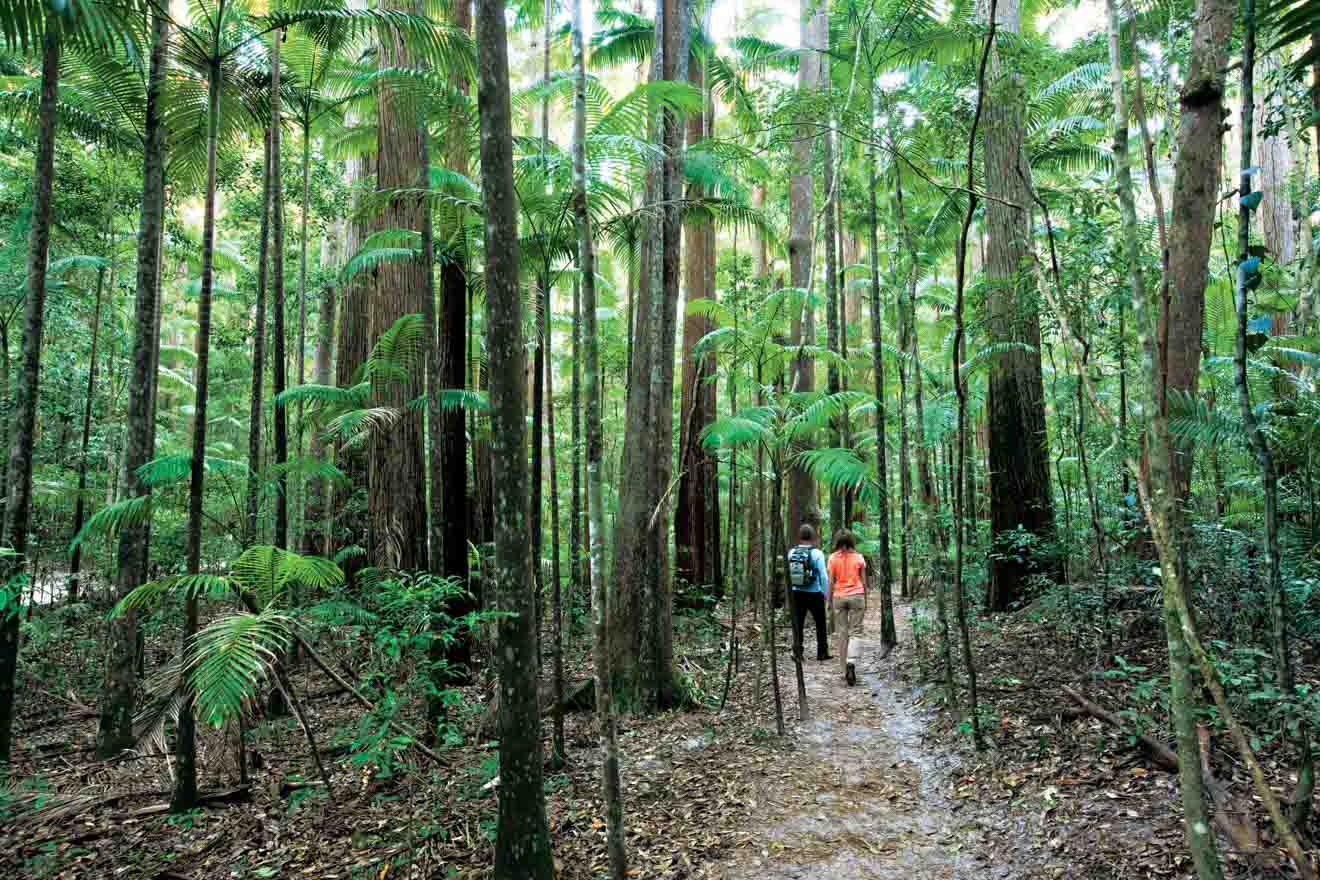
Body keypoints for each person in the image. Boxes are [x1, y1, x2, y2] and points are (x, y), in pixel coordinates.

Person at [828, 529, 867, 686]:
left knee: (842, 632)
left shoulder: (832, 558)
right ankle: (851, 662)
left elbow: (831, 581)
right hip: (857, 595)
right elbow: (864, 582)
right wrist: (866, 598)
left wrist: (829, 600)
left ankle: (844, 669)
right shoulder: (859, 558)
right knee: (856, 631)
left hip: (839, 596)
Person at [786, 524, 830, 662]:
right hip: (814, 592)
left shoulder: (791, 552)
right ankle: (822, 652)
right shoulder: (817, 553)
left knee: (798, 623)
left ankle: (798, 652)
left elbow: (789, 574)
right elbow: (823, 576)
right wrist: (826, 593)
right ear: (813, 536)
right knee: (820, 623)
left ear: (800, 536)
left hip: (797, 592)